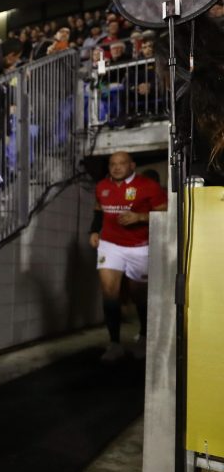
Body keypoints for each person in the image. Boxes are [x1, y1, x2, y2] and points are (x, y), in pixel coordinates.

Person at [89, 152, 167, 362]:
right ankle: (114, 344)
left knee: (138, 294)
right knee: (109, 291)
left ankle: (143, 337)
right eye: (112, 164)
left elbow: (166, 212)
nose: (116, 167)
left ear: (132, 165)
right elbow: (99, 211)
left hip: (140, 247)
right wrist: (94, 231)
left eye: (121, 163)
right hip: (110, 245)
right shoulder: (102, 187)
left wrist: (140, 217)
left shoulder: (148, 186)